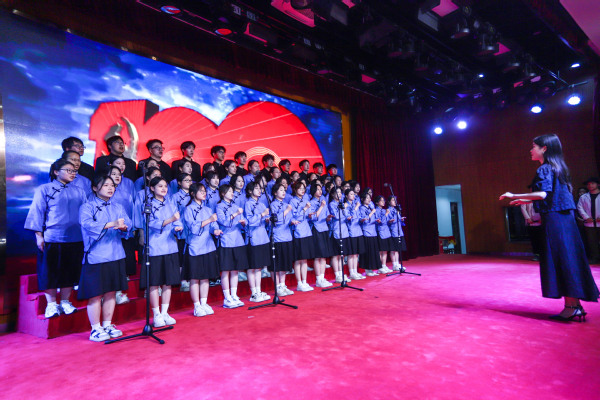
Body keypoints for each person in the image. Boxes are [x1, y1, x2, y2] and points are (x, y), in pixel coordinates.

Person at [499, 134, 599, 321]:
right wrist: (525, 200)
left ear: (544, 148)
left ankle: (572, 306)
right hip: (564, 218)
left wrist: (514, 195)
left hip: (555, 219)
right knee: (568, 258)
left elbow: (544, 194)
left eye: (534, 146)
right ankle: (574, 305)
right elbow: (552, 195)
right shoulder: (558, 166)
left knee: (561, 259)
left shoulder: (545, 168)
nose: (531, 150)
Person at [24, 159, 86, 318]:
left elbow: (85, 213)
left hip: (75, 238)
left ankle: (65, 301)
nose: (72, 173)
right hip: (53, 238)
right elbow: (37, 212)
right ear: (56, 172)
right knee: (49, 272)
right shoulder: (44, 189)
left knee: (70, 271)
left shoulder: (79, 191)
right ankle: (51, 305)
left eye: (74, 171)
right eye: (68, 170)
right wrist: (39, 236)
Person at [78, 175, 131, 341]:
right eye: (106, 185)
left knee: (111, 292)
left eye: (112, 185)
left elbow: (128, 224)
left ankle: (107, 324)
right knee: (95, 294)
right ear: (95, 188)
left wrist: (124, 227)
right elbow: (87, 225)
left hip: (116, 254)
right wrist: (111, 224)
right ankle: (95, 328)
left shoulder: (118, 206)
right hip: (97, 256)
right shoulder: (87, 207)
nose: (110, 188)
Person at [142, 177, 183, 327]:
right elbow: (151, 224)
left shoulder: (171, 203)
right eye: (160, 186)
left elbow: (177, 220)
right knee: (154, 283)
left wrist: (178, 227)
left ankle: (165, 312)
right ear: (152, 188)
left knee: (168, 282)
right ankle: (156, 314)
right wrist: (171, 220)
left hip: (170, 246)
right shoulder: (148, 204)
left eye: (165, 186)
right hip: (155, 247)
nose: (164, 188)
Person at [182, 183, 221, 317]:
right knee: (195, 278)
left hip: (208, 246)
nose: (204, 193)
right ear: (193, 193)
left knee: (205, 277)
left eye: (204, 191)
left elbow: (213, 225)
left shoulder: (207, 209)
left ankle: (204, 303)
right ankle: (197, 305)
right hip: (195, 247)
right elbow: (193, 228)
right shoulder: (188, 209)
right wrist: (209, 220)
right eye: (201, 191)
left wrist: (215, 230)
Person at [216, 184, 249, 308]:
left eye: (232, 191)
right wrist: (235, 214)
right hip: (226, 241)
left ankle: (234, 295)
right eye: (229, 191)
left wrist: (243, 223)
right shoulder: (219, 206)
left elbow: (244, 223)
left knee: (235, 269)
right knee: (226, 270)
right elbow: (223, 222)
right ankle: (227, 297)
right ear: (222, 194)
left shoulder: (236, 206)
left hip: (237, 240)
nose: (232, 193)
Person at [107, 166, 136, 305]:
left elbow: (129, 217)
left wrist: (127, 227)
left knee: (119, 264)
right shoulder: (92, 201)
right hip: (104, 240)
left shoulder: (124, 195)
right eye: (113, 174)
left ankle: (118, 293)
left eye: (119, 174)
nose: (117, 176)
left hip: (120, 236)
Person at [244, 181, 272, 302]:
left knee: (259, 267)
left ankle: (258, 290)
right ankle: (253, 293)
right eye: (256, 188)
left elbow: (265, 220)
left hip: (263, 237)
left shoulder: (261, 204)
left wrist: (267, 220)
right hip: (253, 237)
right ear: (250, 191)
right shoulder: (248, 204)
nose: (259, 190)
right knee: (253, 267)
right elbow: (250, 221)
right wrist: (261, 215)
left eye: (260, 188)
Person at [270, 183, 296, 296]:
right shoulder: (273, 205)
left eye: (284, 190)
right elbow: (276, 221)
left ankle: (282, 285)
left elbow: (289, 218)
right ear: (275, 193)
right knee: (277, 264)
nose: (284, 192)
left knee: (285, 263)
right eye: (281, 190)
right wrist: (286, 211)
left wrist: (292, 221)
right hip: (277, 237)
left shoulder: (286, 204)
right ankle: (277, 286)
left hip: (287, 236)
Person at [290, 181, 315, 292]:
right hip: (298, 232)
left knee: (304, 259)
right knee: (298, 259)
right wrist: (304, 209)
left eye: (303, 188)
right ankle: (299, 283)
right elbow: (296, 217)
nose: (302, 190)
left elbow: (308, 217)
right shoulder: (292, 201)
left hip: (306, 231)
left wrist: (310, 214)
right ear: (295, 190)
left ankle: (304, 281)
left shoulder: (306, 200)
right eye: (300, 188)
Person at [308, 183, 333, 287]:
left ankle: (322, 278)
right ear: (313, 191)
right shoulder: (311, 203)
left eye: (320, 189)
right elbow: (314, 218)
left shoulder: (323, 201)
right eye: (317, 189)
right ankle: (318, 279)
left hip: (324, 228)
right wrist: (321, 207)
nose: (320, 191)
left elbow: (326, 217)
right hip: (316, 229)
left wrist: (329, 217)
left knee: (324, 256)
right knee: (318, 256)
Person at [172, 173, 194, 292]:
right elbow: (174, 213)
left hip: (194, 230)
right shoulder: (175, 197)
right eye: (186, 180)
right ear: (179, 183)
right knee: (181, 255)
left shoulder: (194, 194)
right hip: (182, 230)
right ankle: (182, 280)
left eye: (190, 180)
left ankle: (191, 278)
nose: (189, 183)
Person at [328, 187, 352, 283]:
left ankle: (342, 273)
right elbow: (336, 216)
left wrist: (348, 215)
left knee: (342, 254)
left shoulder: (342, 203)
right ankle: (337, 274)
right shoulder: (332, 204)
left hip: (344, 230)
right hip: (337, 230)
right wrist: (342, 208)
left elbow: (346, 215)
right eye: (337, 192)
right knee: (336, 254)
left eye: (340, 192)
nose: (339, 194)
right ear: (333, 194)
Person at [577, 177, 600, 264]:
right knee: (592, 242)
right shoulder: (583, 197)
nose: (590, 185)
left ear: (598, 184)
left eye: (592, 183)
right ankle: (594, 257)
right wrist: (586, 217)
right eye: (589, 184)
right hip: (589, 223)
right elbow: (580, 208)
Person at [345, 189, 366, 280]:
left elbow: (358, 216)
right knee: (352, 254)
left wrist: (362, 219)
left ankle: (355, 271)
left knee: (356, 253)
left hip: (358, 230)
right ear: (346, 196)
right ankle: (351, 272)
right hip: (351, 231)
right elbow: (349, 217)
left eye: (354, 194)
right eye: (351, 194)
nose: (353, 196)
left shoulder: (355, 204)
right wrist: (356, 207)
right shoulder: (346, 205)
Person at [359, 192, 381, 276]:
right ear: (363, 199)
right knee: (368, 251)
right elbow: (365, 220)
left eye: (369, 198)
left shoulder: (370, 208)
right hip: (367, 231)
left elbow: (373, 218)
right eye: (367, 198)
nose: (369, 199)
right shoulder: (362, 208)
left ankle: (372, 269)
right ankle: (367, 270)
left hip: (373, 231)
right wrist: (372, 213)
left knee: (373, 251)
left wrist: (376, 220)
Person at [387, 196, 407, 271]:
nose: (395, 201)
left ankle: (397, 263)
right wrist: (392, 220)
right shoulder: (388, 210)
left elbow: (398, 220)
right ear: (389, 202)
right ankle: (394, 264)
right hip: (393, 231)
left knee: (398, 249)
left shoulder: (396, 210)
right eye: (393, 200)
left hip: (399, 231)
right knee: (393, 249)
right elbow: (388, 221)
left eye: (395, 200)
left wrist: (401, 219)